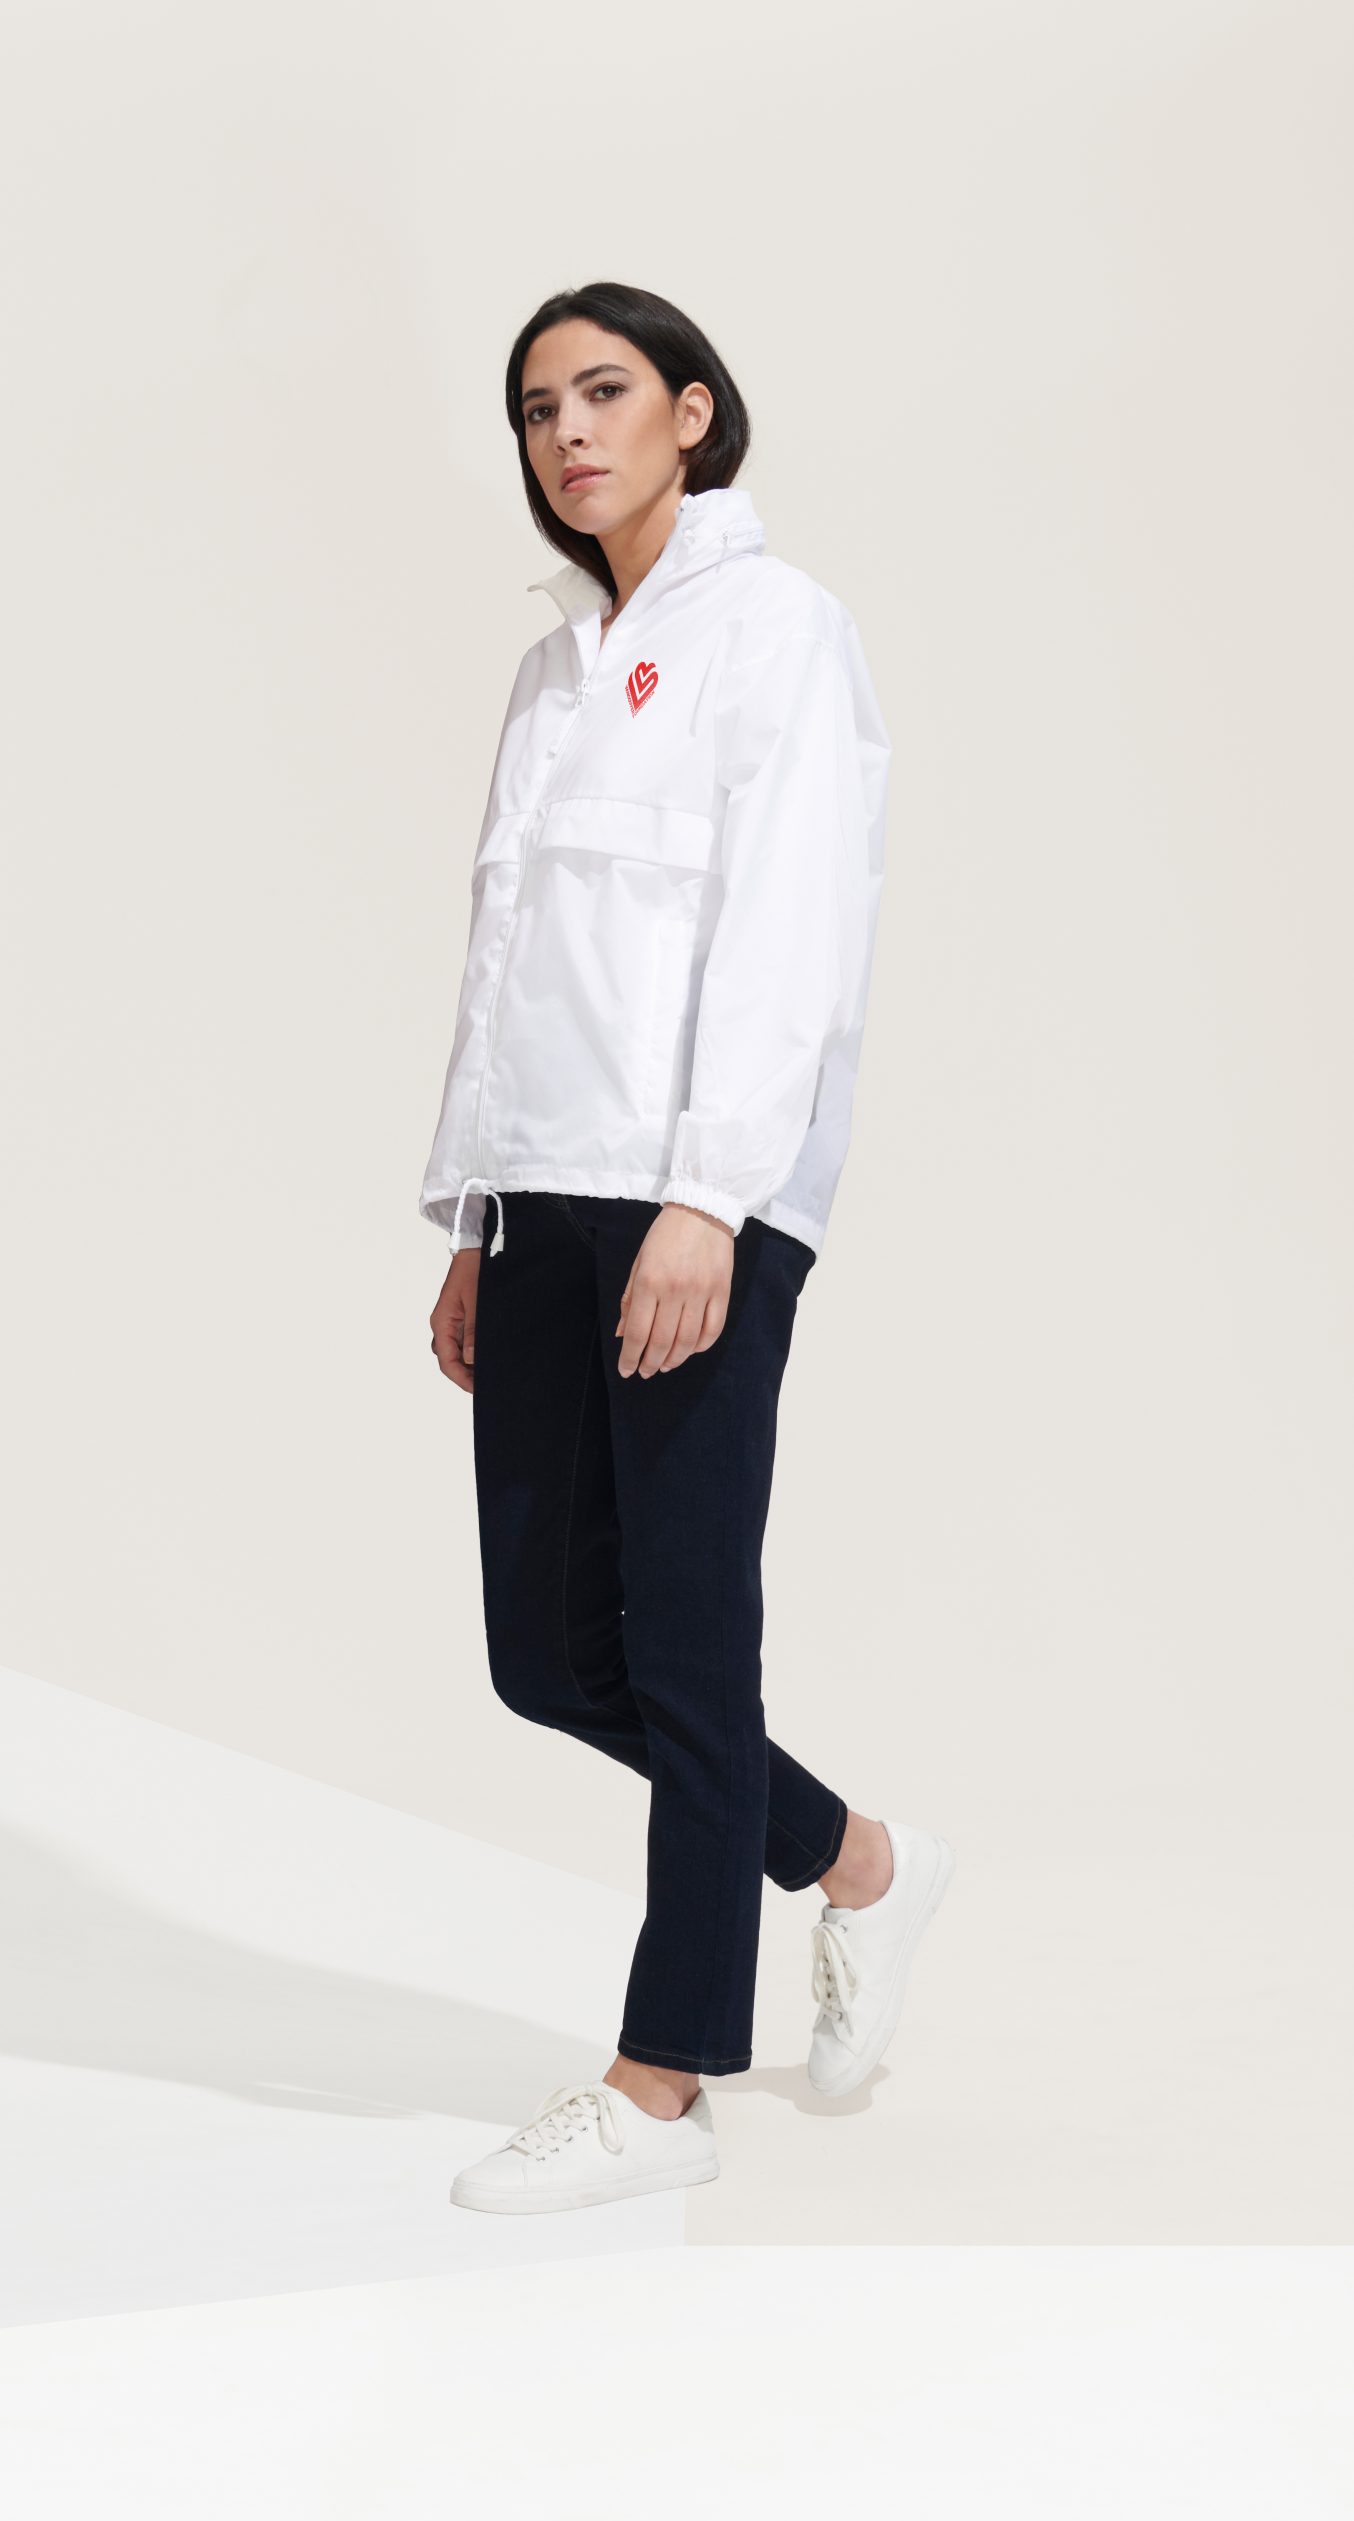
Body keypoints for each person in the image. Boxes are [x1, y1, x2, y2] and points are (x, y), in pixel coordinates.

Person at [420, 282, 954, 2215]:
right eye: (536, 408)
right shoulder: (552, 669)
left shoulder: (778, 629)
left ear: (692, 413)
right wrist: (474, 1212)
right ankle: (862, 1864)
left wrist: (709, 1202)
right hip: (540, 1198)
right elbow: (504, 964)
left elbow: (791, 930)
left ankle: (661, 2093)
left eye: (604, 392)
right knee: (547, 1655)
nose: (567, 433)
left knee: (684, 1637)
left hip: (691, 1206)